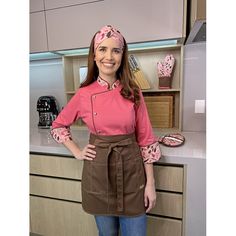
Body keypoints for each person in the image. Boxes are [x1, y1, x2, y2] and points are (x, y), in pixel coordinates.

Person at [51, 25, 161, 236]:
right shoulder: (84, 94)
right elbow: (58, 125)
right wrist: (77, 151)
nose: (109, 56)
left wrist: (150, 184)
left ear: (122, 55)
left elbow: (146, 139)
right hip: (98, 174)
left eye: (115, 50)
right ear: (94, 55)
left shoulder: (133, 91)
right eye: (102, 49)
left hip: (131, 172)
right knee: (107, 234)